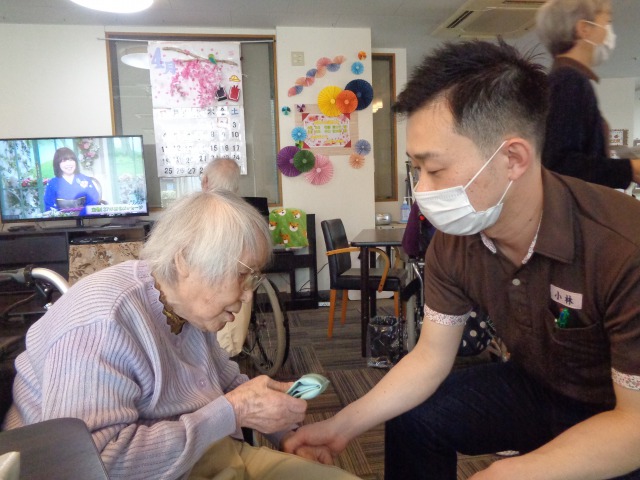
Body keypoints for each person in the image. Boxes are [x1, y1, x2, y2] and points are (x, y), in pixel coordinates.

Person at [283, 39, 640, 479]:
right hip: (536, 386)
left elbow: (634, 425)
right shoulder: (456, 240)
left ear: (512, 158)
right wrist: (340, 426)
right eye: (416, 169)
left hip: (616, 412)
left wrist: (512, 474)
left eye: (435, 169)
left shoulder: (622, 246)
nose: (422, 190)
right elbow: (431, 356)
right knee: (414, 417)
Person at [3, 190, 360, 480]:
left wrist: (284, 432)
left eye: (254, 277)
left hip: (207, 455)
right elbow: (92, 466)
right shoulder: (102, 321)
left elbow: (225, 383)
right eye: (241, 275)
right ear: (185, 260)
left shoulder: (186, 306)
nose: (248, 295)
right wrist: (234, 412)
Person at [536, 0, 640, 188]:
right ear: (584, 29)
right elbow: (560, 164)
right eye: (607, 21)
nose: (609, 31)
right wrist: (630, 169)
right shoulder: (569, 81)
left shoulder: (562, 80)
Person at [200, 157, 251, 357]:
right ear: (236, 187)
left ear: (205, 181)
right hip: (242, 278)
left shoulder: (198, 212)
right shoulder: (245, 213)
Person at [43, 147, 101, 215]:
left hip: (85, 218)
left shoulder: (85, 180)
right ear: (57, 164)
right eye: (64, 161)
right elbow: (50, 208)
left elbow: (93, 202)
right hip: (62, 220)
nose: (68, 164)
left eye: (71, 160)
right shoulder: (52, 184)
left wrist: (80, 216)